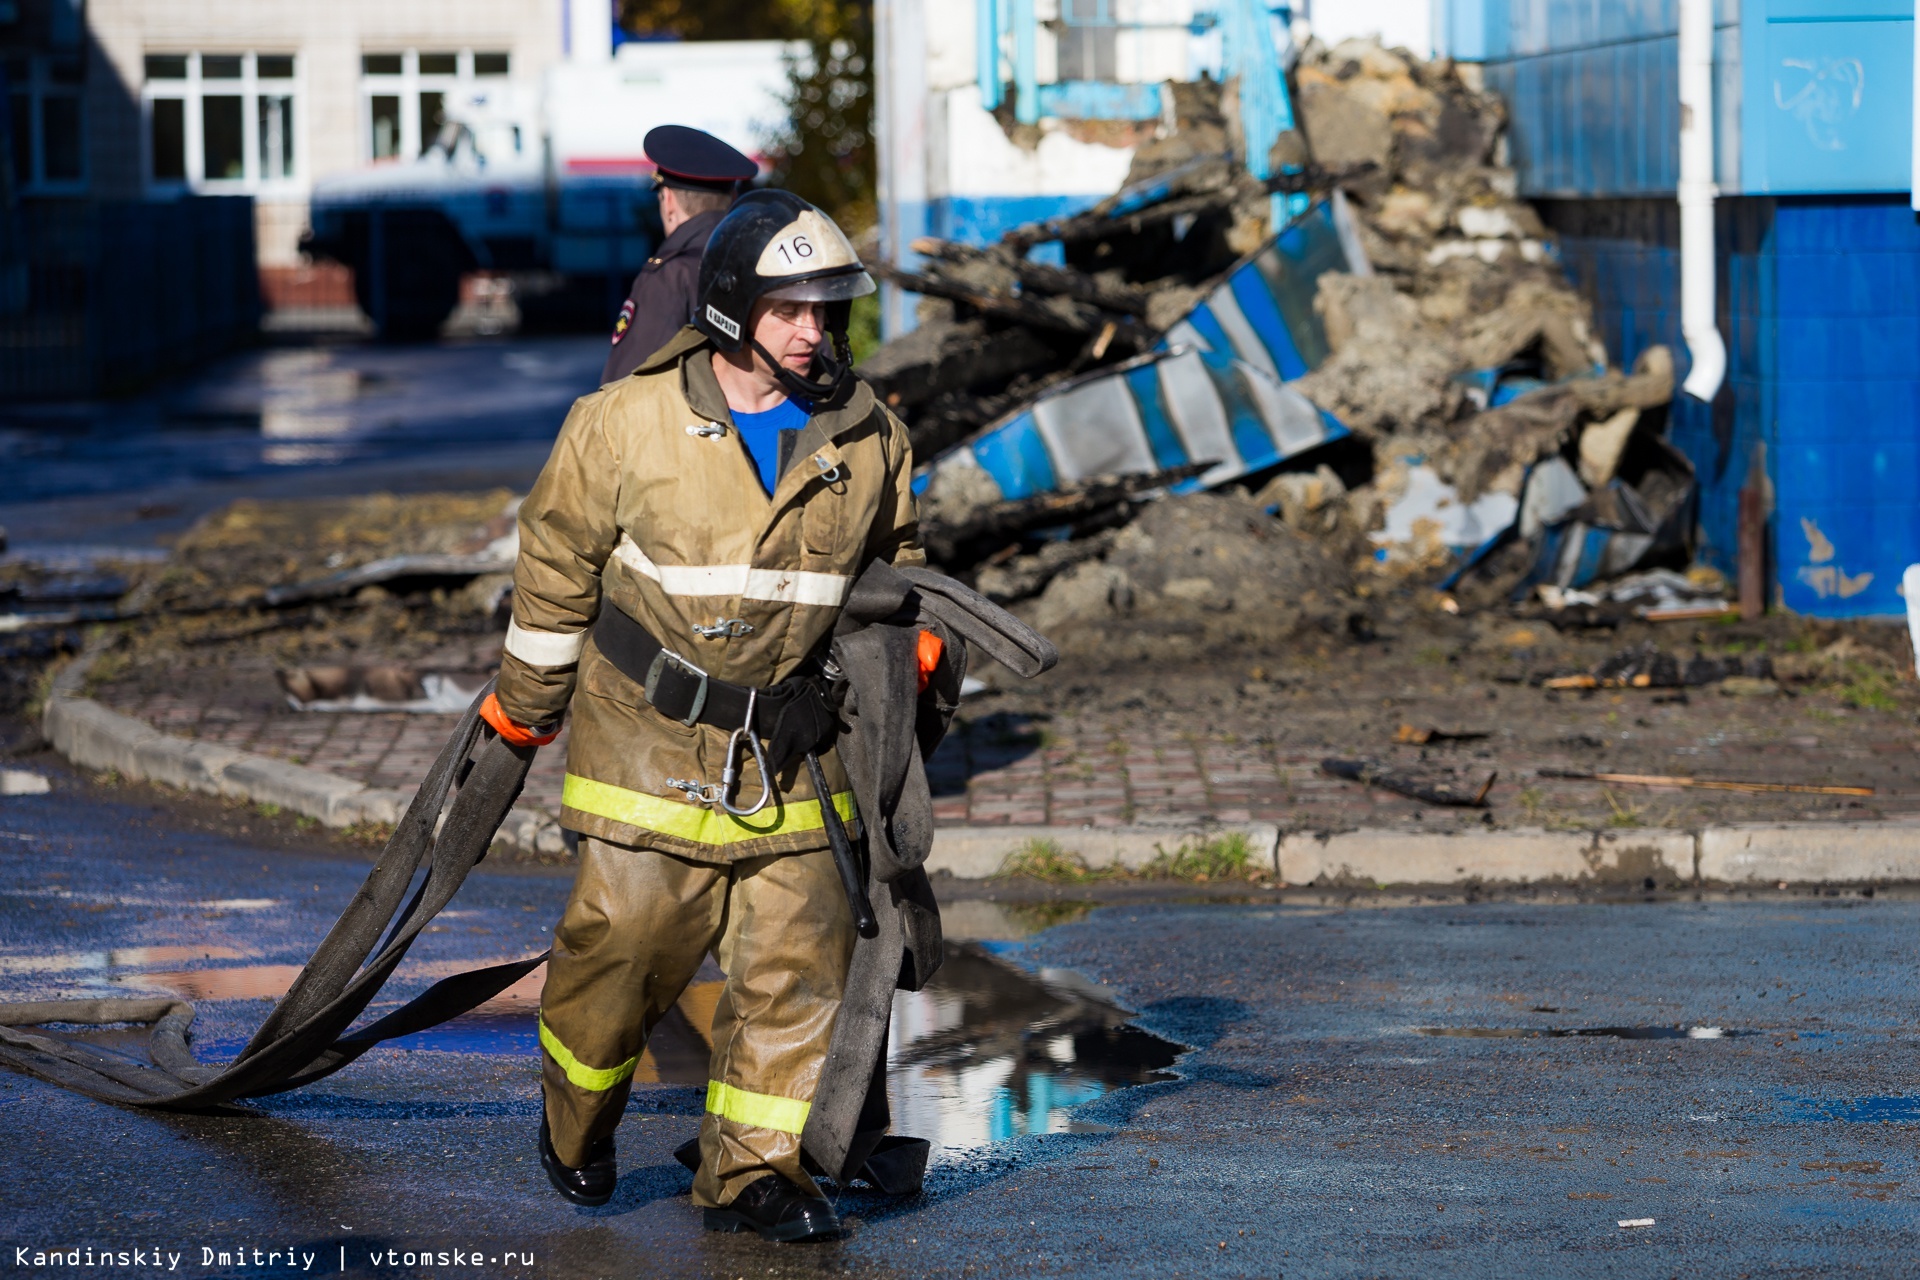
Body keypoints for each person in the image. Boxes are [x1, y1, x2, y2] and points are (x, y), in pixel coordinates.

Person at [481, 189, 917, 1243]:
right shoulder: (621, 423)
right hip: (647, 743)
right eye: (792, 310)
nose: (817, 331)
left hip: (791, 752)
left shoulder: (867, 435)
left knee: (796, 964)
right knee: (621, 948)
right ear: (731, 311)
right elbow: (552, 572)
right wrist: (523, 709)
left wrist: (892, 679)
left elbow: (897, 571)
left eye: (829, 310)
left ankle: (751, 1171)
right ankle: (576, 1119)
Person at [600, 124, 758, 385]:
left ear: (669, 202)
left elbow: (625, 389)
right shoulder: (766, 262)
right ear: (732, 197)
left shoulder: (669, 276)